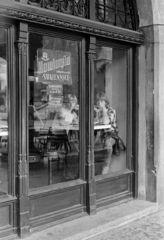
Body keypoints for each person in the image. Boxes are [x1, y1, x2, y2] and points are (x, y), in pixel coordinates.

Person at [94, 92, 117, 175]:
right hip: (99, 134)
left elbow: (106, 123)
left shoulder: (111, 110)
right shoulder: (98, 111)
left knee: (107, 144)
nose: (98, 103)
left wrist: (103, 110)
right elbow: (96, 122)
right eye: (97, 101)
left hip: (110, 134)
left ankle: (105, 169)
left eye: (100, 101)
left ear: (104, 101)